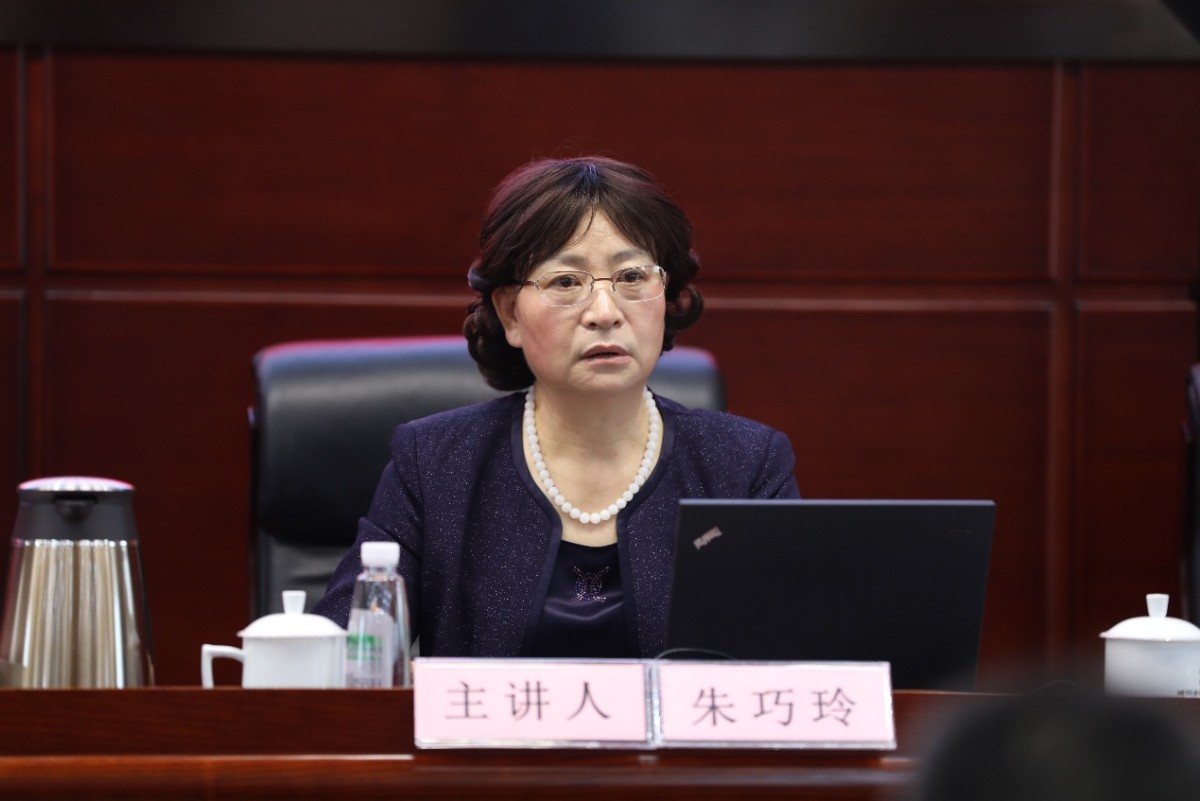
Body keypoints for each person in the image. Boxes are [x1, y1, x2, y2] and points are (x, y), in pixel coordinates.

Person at [313, 156, 799, 658]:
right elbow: (342, 659)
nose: (605, 313)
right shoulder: (435, 463)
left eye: (633, 276)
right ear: (510, 314)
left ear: (666, 297)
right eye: (566, 282)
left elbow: (800, 663)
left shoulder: (744, 466)